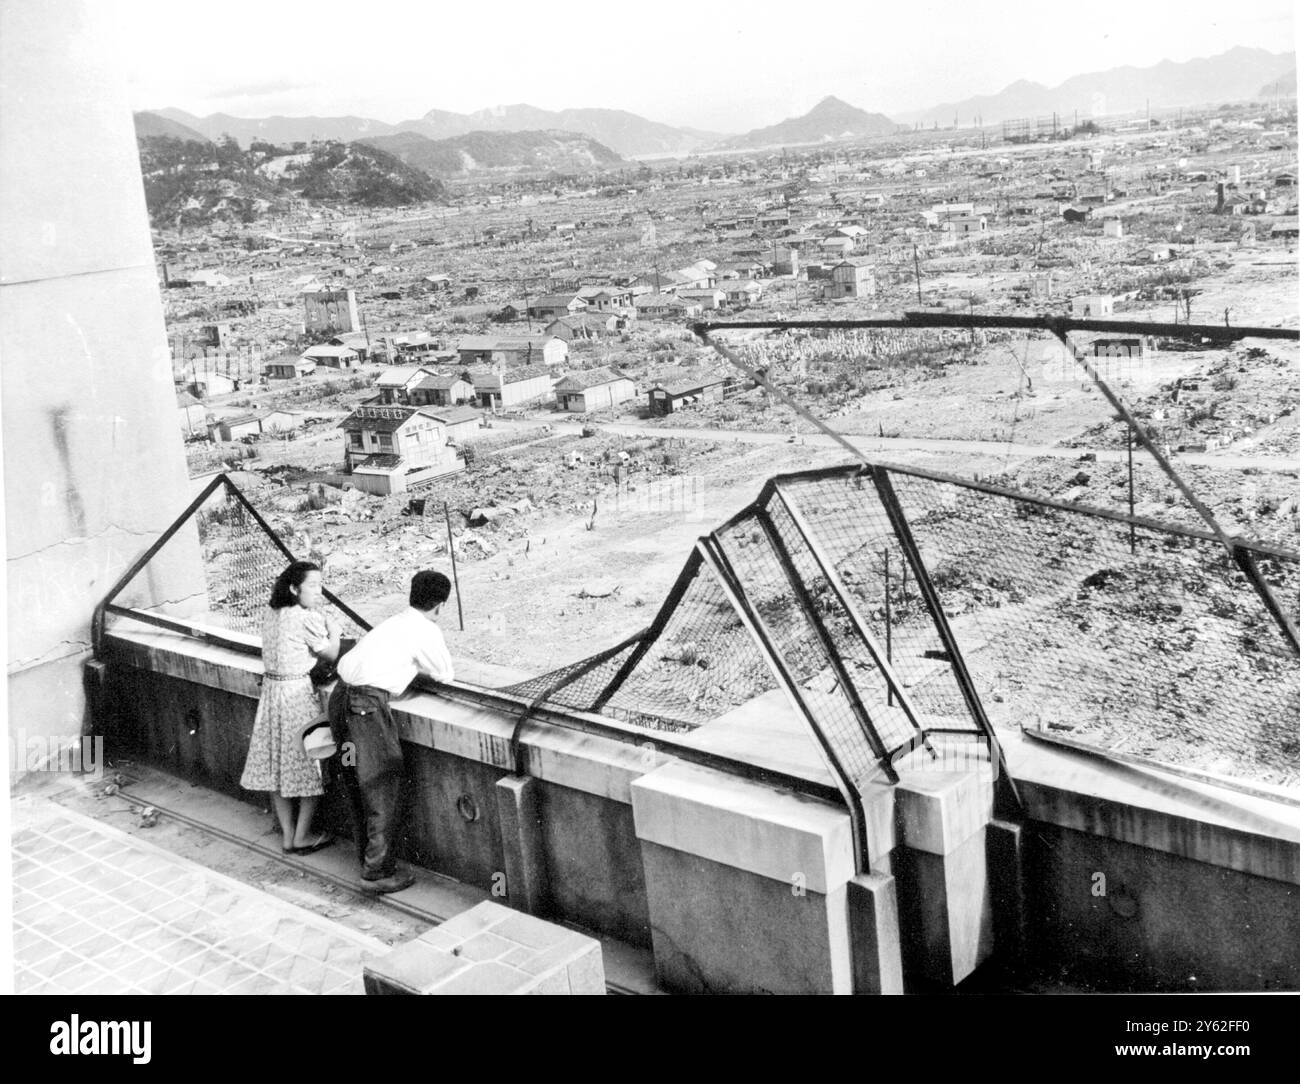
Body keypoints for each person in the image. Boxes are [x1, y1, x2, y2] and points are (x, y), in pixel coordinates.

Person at [329, 570, 455, 893]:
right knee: (382, 784)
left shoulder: (393, 622)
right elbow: (445, 674)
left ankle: (367, 859)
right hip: (365, 706)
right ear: (440, 606)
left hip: (340, 696)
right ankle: (377, 873)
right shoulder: (426, 630)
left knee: (356, 782)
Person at [239, 560, 340, 854]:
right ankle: (303, 836)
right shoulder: (305, 617)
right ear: (295, 588)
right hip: (296, 694)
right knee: (312, 765)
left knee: (277, 768)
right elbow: (332, 653)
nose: (318, 592)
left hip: (271, 694)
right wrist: (333, 629)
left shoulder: (271, 613)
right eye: (313, 585)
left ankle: (287, 835)